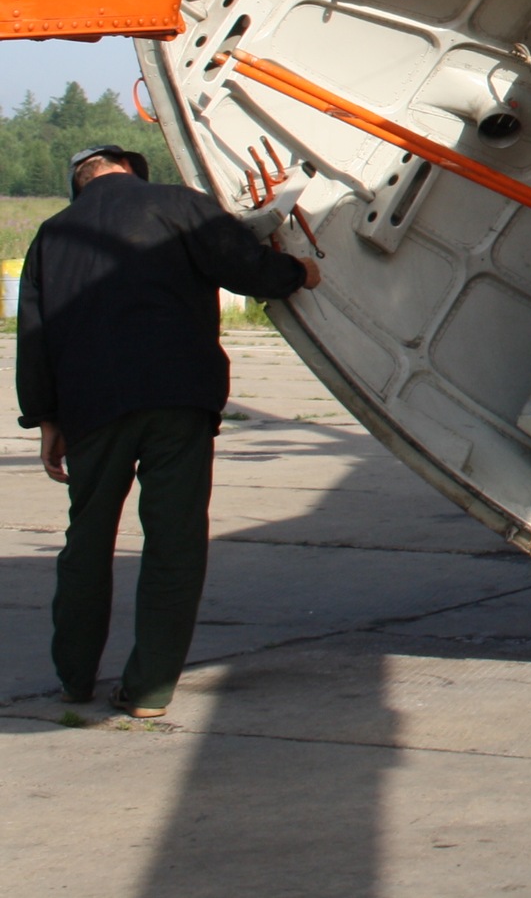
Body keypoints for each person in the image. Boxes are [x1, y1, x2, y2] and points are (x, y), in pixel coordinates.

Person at [14, 143, 317, 718]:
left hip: (91, 407)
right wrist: (298, 272)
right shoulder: (178, 204)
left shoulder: (53, 234)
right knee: (173, 543)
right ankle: (149, 689)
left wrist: (46, 419)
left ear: (80, 183)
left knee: (87, 542)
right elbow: (243, 267)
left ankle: (74, 679)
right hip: (178, 398)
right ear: (131, 169)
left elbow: (35, 334)